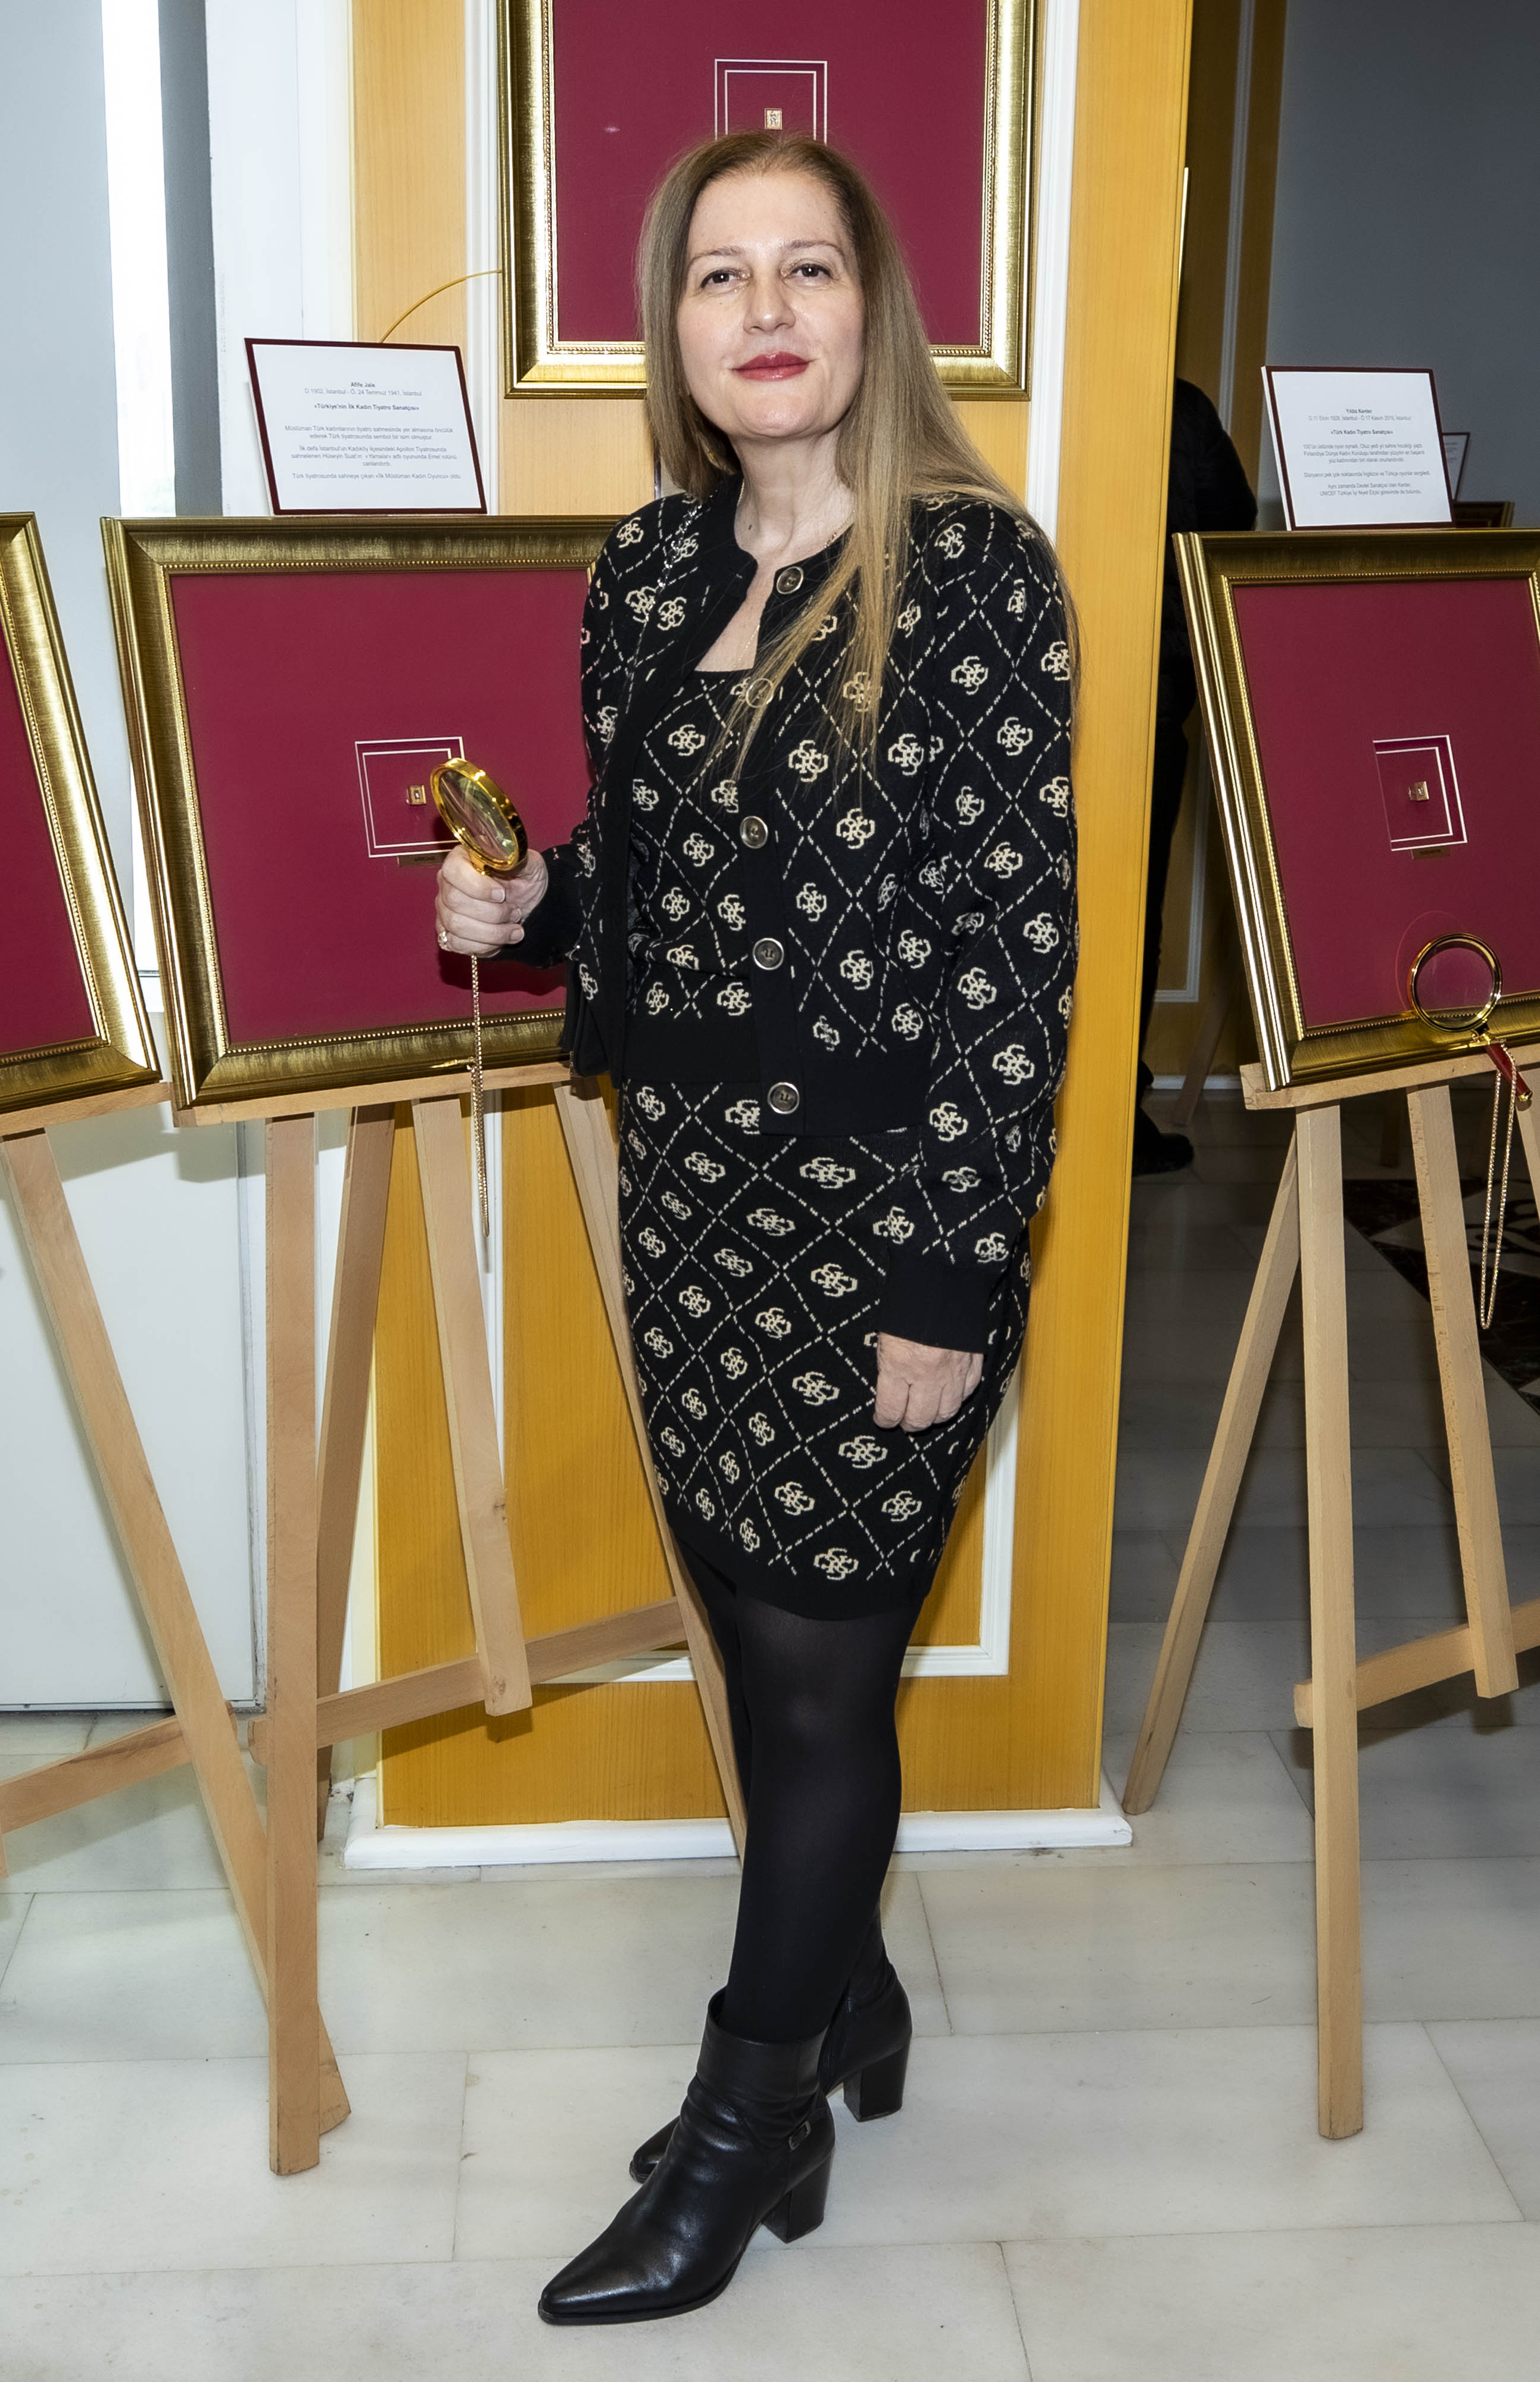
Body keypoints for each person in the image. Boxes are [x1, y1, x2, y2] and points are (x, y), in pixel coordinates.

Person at [436, 130, 1076, 2327]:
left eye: (807, 265)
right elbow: (643, 880)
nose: (765, 307)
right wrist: (532, 905)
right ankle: (846, 2004)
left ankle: (743, 2124)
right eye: (719, 273)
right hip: (693, 1204)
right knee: (758, 1635)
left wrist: (951, 1275)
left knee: (816, 1687)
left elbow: (1011, 958)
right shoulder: (638, 570)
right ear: (674, 328)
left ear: (870, 307)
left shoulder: (972, 572)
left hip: (884, 1217)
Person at [1133, 378, 1257, 1173]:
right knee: (1134, 904)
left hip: (1015, 681)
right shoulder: (1175, 406)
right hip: (1153, 680)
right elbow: (1230, 528)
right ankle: (1117, 1105)